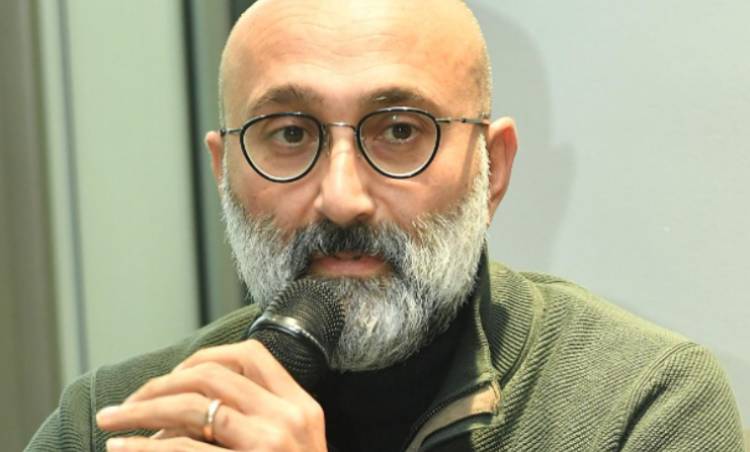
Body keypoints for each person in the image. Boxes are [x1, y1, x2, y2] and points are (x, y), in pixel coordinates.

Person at [27, 0, 744, 451]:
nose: (342, 199)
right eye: (289, 134)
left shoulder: (640, 407)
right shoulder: (110, 420)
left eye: (400, 131)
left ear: (492, 170)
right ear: (225, 172)